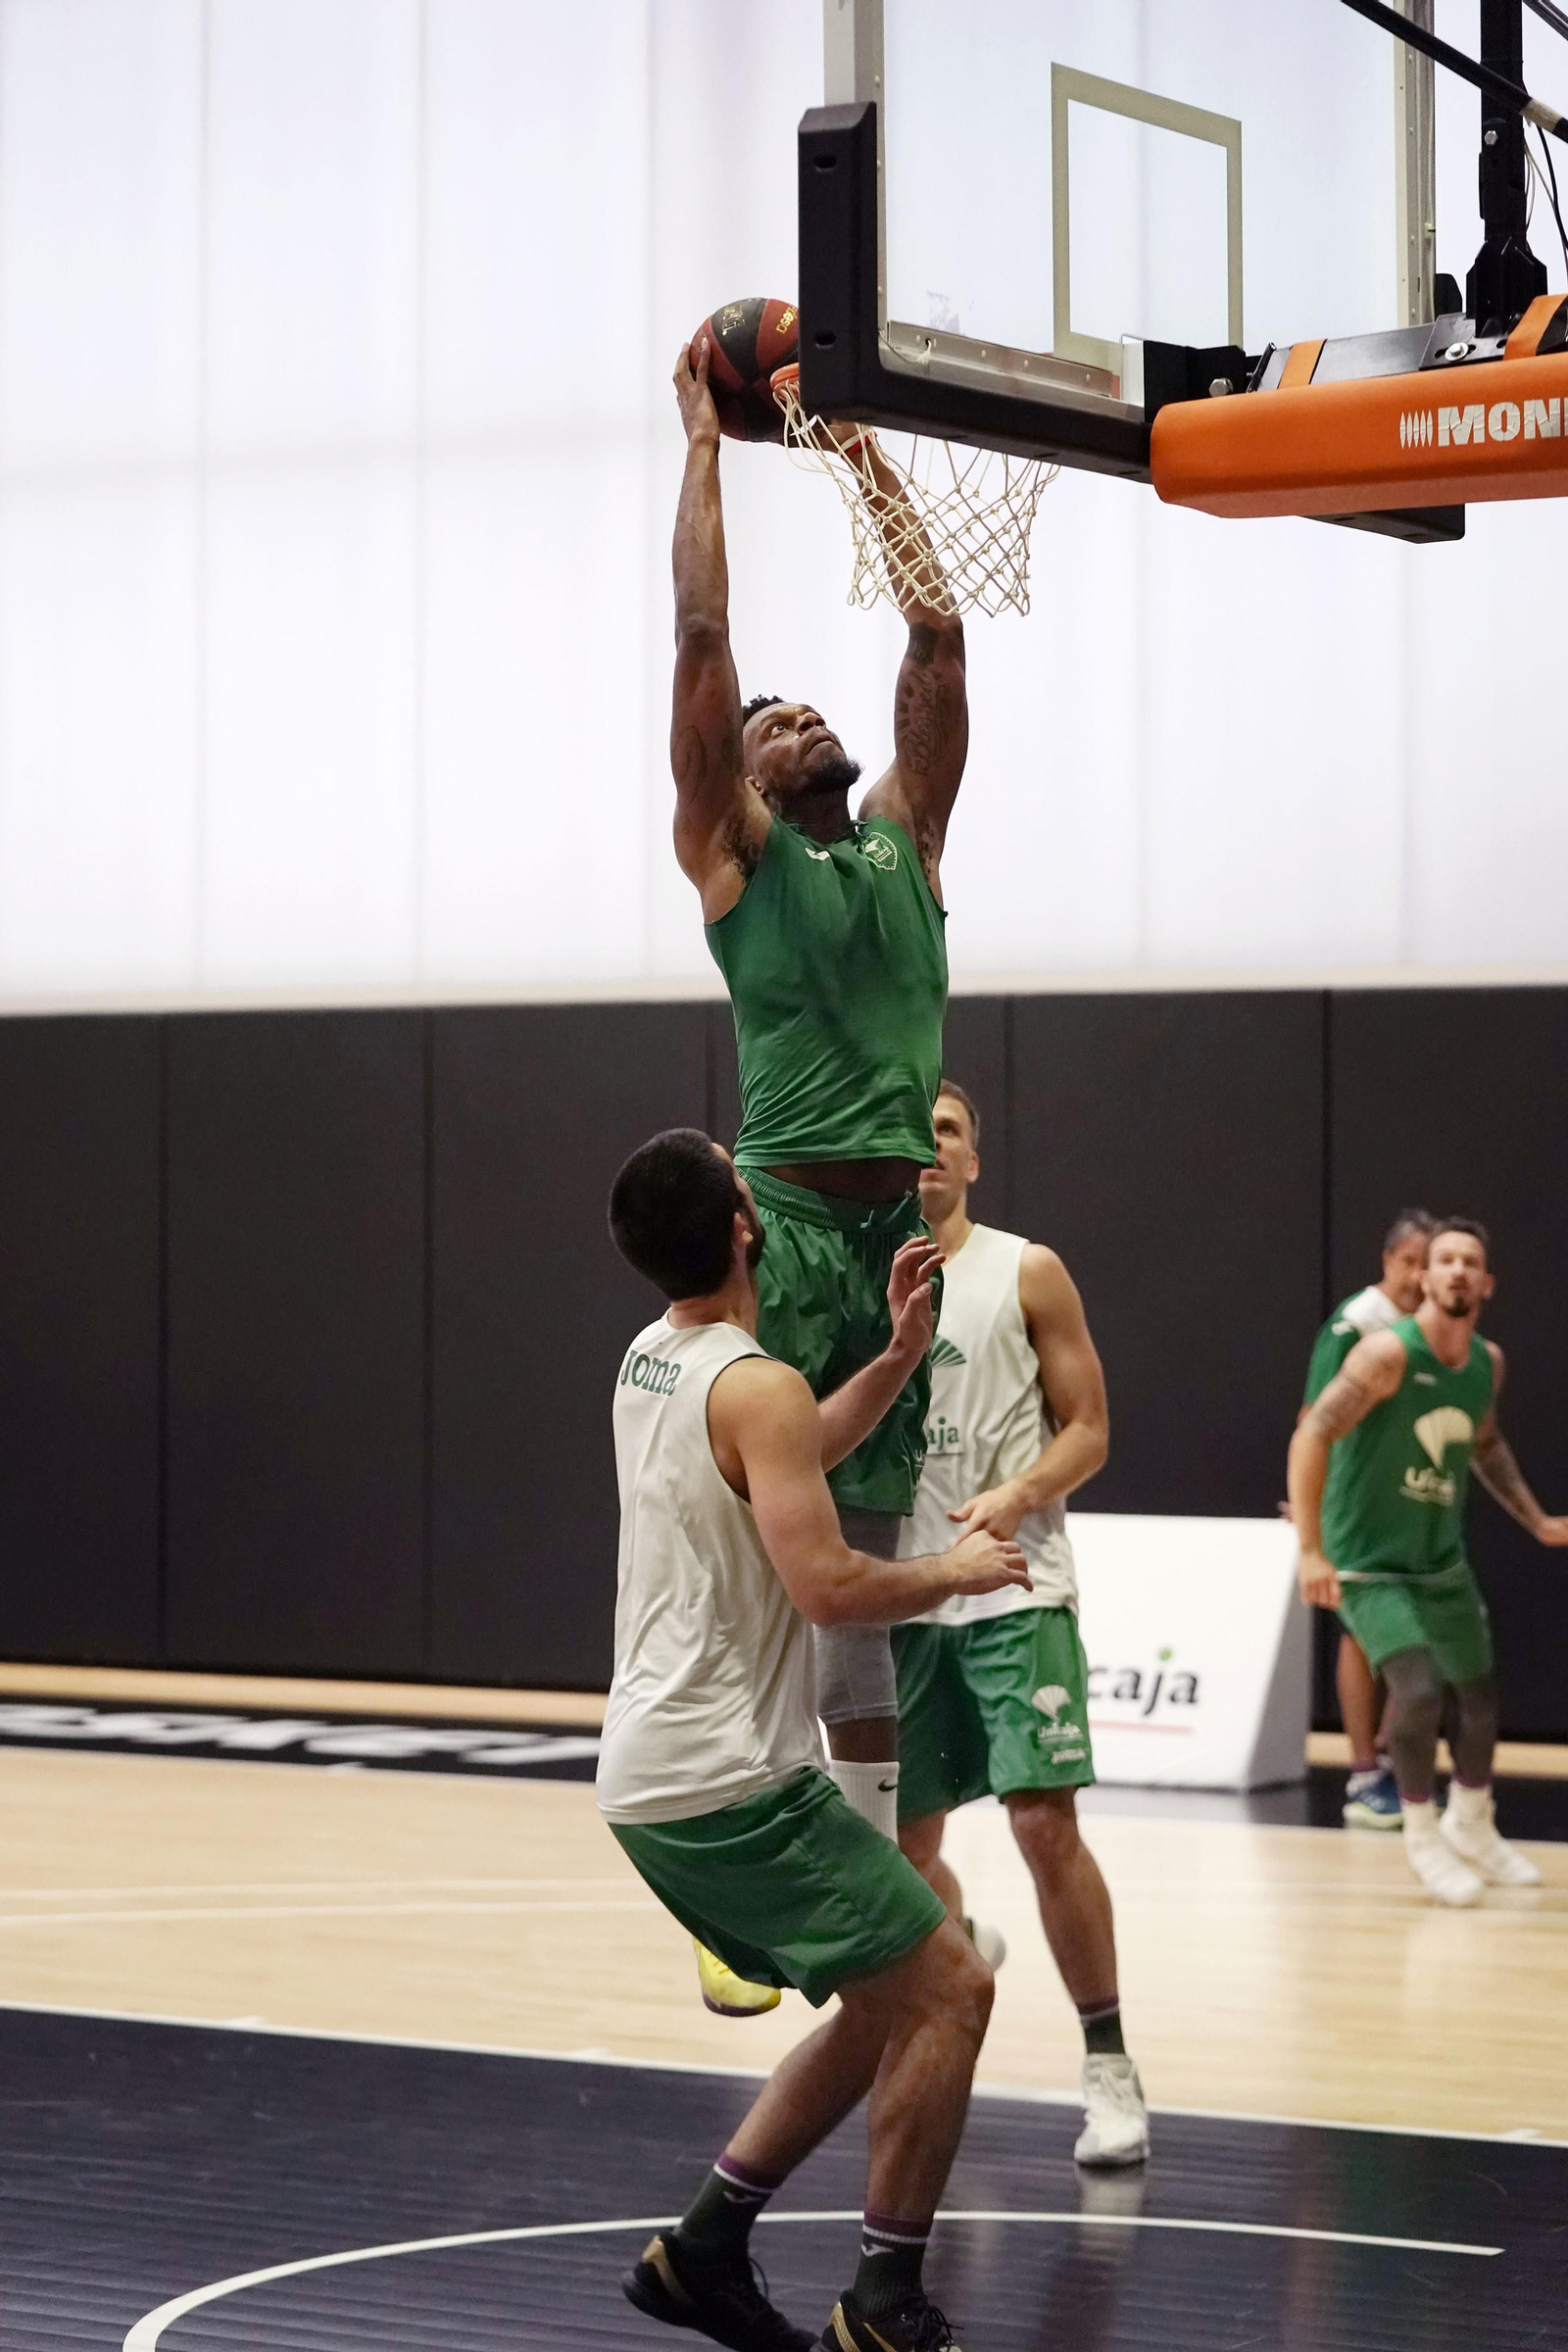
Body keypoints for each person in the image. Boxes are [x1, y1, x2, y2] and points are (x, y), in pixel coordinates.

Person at [601, 1129, 1032, 2352]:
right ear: (750, 1223)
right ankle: (883, 2304)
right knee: (954, 1985)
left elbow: (782, 1461)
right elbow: (829, 1584)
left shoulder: (659, 1356)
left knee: (883, 2002)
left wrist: (897, 1357)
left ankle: (702, 2252)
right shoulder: (755, 1380)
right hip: (720, 1779)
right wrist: (953, 1567)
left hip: (664, 1773)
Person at [667, 331, 966, 1876]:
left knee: (876, 1563)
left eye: (802, 716)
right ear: (745, 777)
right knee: (774, 1565)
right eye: (773, 726)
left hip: (897, 1244)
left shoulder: (905, 845)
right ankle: (730, 1831)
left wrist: (861, 454)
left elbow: (936, 638)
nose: (798, 723)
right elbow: (705, 637)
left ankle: (860, 1871)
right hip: (784, 1232)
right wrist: (709, 445)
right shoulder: (740, 863)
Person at [892, 1082, 1150, 2170]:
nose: (929, 1150)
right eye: (911, 1136)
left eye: (946, 1131)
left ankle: (1109, 2065)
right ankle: (956, 1946)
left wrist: (1016, 1490)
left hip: (1014, 1583)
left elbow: (1089, 1428)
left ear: (973, 1160)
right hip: (899, 1591)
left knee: (1042, 1824)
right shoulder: (862, 1282)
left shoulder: (1023, 1268)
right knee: (900, 1854)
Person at [1288, 1219, 1568, 1907]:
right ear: (1423, 1277)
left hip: (1438, 1558)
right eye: (1444, 1260)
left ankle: (1473, 1824)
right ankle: (1420, 1834)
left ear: (1487, 1282)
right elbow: (1312, 1434)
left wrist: (1534, 1519)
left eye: (1470, 1261)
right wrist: (1310, 1549)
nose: (1457, 1271)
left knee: (1478, 1695)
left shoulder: (1486, 1364)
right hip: (1369, 1559)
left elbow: (1487, 1443)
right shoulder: (1383, 1355)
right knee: (1415, 1690)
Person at [1300, 1209, 1436, 1830]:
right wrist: (1314, 1514)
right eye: (1410, 1261)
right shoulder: (1359, 1325)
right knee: (1360, 1633)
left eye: (1427, 1263)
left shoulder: (1424, 1332)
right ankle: (1362, 1774)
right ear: (1388, 1261)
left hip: (1401, 1504)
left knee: (1409, 1631)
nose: (1419, 1274)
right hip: (1350, 1508)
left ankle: (1382, 1755)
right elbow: (1316, 1420)